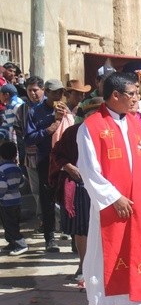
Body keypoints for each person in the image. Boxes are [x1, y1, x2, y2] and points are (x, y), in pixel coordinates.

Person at [76, 72, 141, 305]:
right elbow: (88, 168)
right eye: (133, 93)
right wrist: (114, 197)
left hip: (140, 202)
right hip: (110, 205)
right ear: (115, 95)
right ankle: (104, 302)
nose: (137, 99)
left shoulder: (136, 124)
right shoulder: (91, 127)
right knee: (108, 254)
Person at [49, 97, 104, 282]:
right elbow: (57, 154)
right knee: (82, 229)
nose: (94, 117)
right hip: (80, 185)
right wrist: (68, 167)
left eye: (98, 113)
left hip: (105, 186)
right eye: (90, 114)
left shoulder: (109, 133)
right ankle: (83, 264)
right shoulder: (73, 132)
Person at [25, 79, 68, 253]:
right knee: (47, 199)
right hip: (46, 159)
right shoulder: (35, 112)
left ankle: (70, 231)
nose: (58, 95)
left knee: (68, 196)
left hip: (65, 159)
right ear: (47, 92)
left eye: (60, 92)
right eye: (55, 92)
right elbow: (29, 138)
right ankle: (50, 238)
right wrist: (50, 128)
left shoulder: (65, 109)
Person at [14, 76, 45, 224]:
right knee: (36, 190)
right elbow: (18, 131)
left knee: (52, 189)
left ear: (43, 90)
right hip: (31, 156)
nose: (33, 93)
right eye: (29, 90)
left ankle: (57, 221)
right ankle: (42, 219)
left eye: (35, 90)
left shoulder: (51, 105)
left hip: (50, 156)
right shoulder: (23, 109)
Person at [0, 141, 27, 256]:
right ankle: (12, 243)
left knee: (9, 224)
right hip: (17, 200)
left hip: (6, 202)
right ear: (15, 155)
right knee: (13, 223)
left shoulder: (2, 169)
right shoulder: (16, 168)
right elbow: (22, 183)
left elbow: (2, 187)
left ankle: (21, 244)